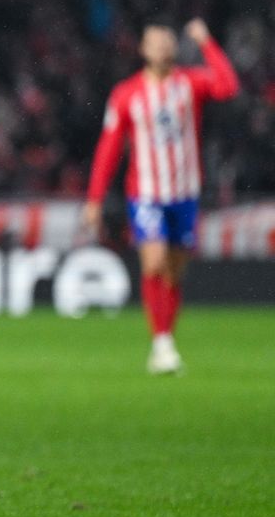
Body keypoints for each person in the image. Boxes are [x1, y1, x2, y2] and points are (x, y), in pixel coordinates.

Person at [84, 18, 239, 373]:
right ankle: (161, 343)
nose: (162, 48)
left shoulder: (190, 82)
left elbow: (228, 87)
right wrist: (94, 198)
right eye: (155, 43)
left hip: (184, 192)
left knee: (173, 273)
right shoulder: (127, 94)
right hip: (147, 194)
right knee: (152, 261)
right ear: (142, 50)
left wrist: (207, 42)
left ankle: (166, 338)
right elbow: (109, 148)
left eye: (167, 42)